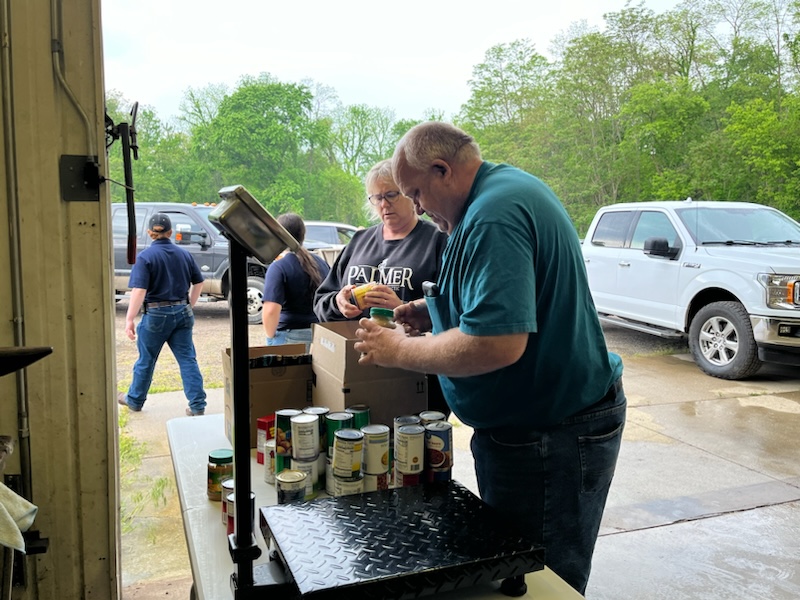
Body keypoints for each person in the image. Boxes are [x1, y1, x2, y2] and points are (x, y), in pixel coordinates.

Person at [353, 122, 626, 595]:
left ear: (443, 170)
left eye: (416, 192)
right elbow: (496, 301)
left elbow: (497, 344)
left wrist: (399, 349)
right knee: (516, 573)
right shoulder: (491, 197)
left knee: (543, 582)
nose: (415, 207)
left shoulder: (493, 214)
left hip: (552, 432)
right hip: (531, 425)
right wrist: (434, 310)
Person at [313, 158, 449, 415]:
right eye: (376, 198)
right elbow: (321, 301)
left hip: (413, 376)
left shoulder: (437, 241)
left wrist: (406, 309)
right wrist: (338, 303)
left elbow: (454, 307)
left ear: (409, 194)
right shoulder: (360, 241)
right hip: (354, 372)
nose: (384, 204)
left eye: (390, 194)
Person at [117, 212, 207, 417]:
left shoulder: (145, 257)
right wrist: (189, 305)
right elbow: (199, 282)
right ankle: (197, 405)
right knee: (187, 359)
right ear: (170, 233)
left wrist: (129, 319)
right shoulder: (184, 255)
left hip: (156, 314)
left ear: (149, 233)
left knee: (146, 360)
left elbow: (139, 291)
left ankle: (135, 400)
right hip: (182, 311)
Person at [262, 213, 330, 351]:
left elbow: (270, 310)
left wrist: (270, 338)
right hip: (319, 336)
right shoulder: (321, 263)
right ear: (303, 235)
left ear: (278, 235)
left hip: (289, 336)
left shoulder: (279, 267)